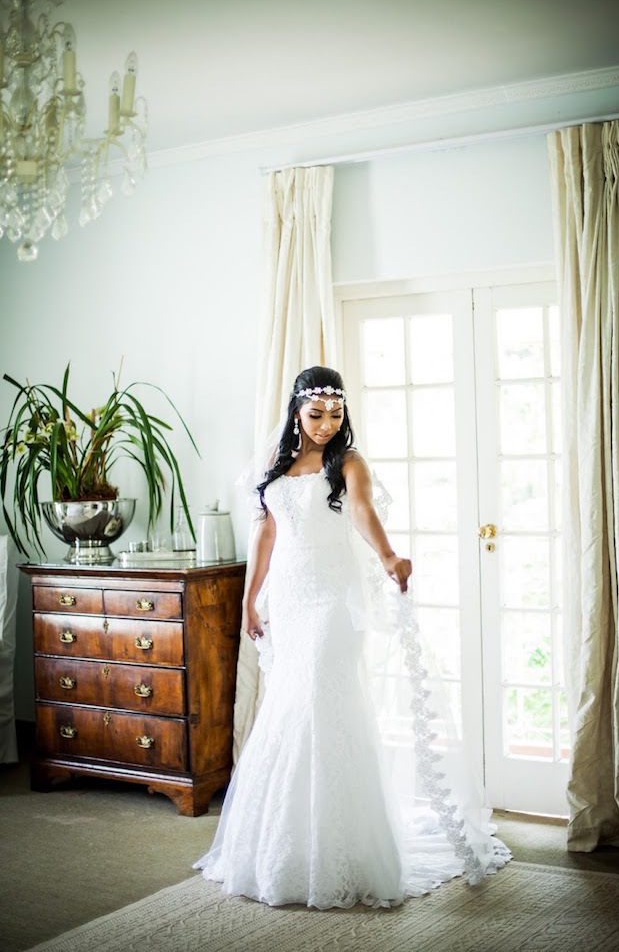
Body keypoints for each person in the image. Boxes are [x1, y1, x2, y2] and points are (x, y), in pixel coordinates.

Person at [194, 366, 509, 908]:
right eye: (316, 414)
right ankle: (286, 844)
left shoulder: (349, 463)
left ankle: (345, 849)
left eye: (335, 414)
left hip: (336, 598)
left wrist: (388, 556)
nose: (325, 425)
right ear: (296, 412)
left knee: (321, 695)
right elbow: (266, 531)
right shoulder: (274, 470)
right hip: (290, 598)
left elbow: (361, 512)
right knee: (291, 704)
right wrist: (251, 598)